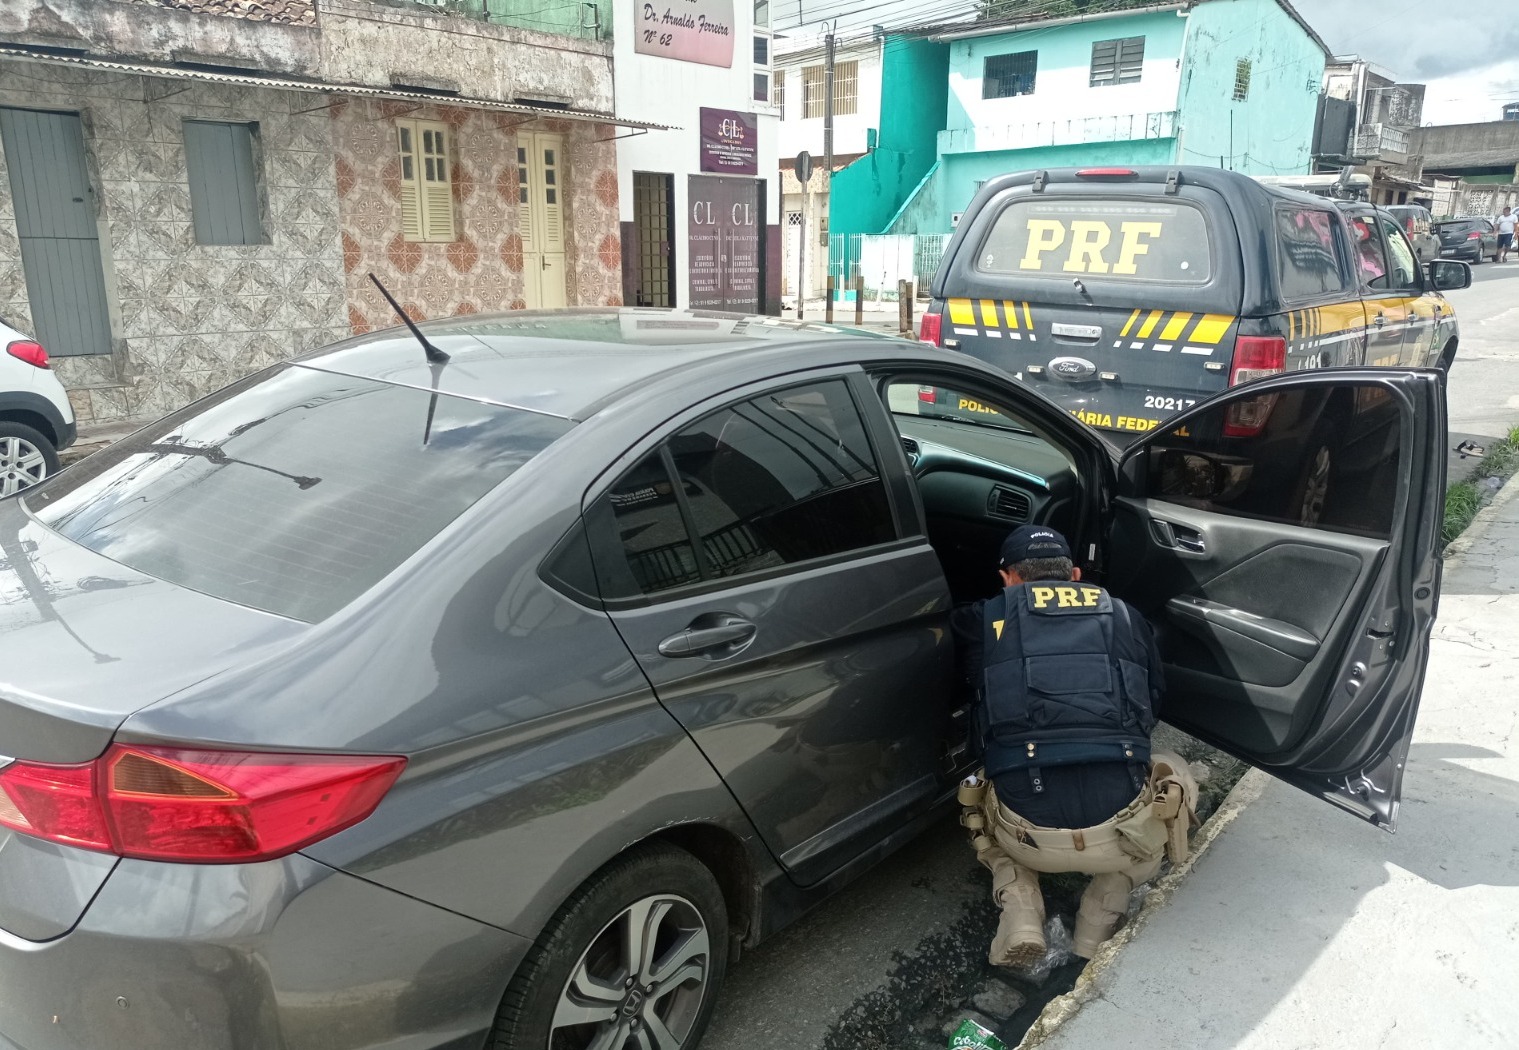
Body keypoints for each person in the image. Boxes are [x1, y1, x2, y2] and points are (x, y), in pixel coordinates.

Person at [951, 524, 1197, 966]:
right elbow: (1153, 702)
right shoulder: (1125, 615)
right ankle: (1095, 933)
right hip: (1118, 836)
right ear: (1076, 575)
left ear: (1008, 578)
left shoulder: (985, 617)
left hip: (1028, 837)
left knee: (977, 795)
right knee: (1173, 770)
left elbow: (969, 685)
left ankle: (1022, 907)